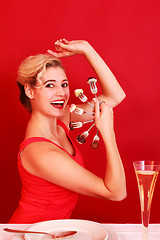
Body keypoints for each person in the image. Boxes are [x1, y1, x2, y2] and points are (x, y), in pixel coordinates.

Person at [9, 39, 127, 223]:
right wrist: (108, 134)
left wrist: (87, 49)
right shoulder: (41, 153)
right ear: (30, 92)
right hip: (29, 233)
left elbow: (115, 96)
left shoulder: (62, 119)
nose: (61, 93)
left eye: (64, 84)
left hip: (54, 233)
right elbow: (116, 192)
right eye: (49, 85)